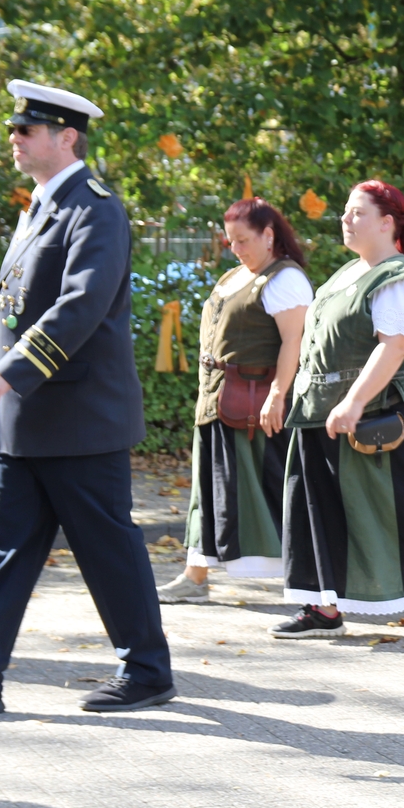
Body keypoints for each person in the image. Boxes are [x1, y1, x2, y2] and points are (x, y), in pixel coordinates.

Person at [0, 80, 174, 714]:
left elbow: (80, 306)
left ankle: (147, 671)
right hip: (24, 420)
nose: (13, 138)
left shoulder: (95, 209)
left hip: (79, 420)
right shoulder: (40, 206)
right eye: (14, 129)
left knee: (107, 550)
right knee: (3, 553)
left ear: (66, 138)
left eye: (26, 130)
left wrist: (8, 371)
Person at [276, 181, 404, 638]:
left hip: (386, 416)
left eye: (357, 212)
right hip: (321, 414)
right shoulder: (347, 273)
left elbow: (395, 347)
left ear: (387, 223)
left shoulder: (399, 279)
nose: (345, 219)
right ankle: (324, 604)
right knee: (321, 507)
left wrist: (353, 402)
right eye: (345, 211)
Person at [157, 199, 311, 603]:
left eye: (243, 240)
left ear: (268, 236)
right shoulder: (235, 276)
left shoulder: (285, 280)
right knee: (209, 489)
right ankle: (195, 576)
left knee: (273, 491)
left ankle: (313, 586)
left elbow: (294, 343)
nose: (236, 248)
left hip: (256, 405)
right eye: (231, 241)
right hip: (217, 399)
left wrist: (277, 395)